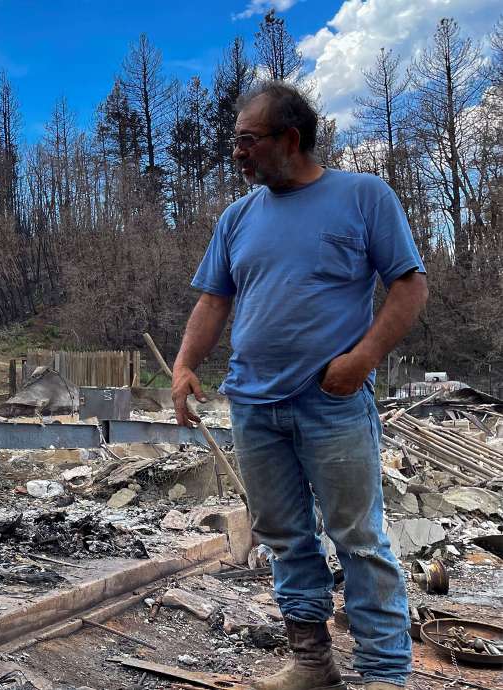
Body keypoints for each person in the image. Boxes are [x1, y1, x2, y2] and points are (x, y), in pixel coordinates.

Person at [171, 81, 427, 690]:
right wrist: (184, 365)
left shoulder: (364, 197)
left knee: (359, 540)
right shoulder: (238, 218)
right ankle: (313, 662)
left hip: (332, 404)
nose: (237, 153)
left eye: (246, 141)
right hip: (254, 406)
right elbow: (214, 300)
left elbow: (409, 286)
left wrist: (363, 358)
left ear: (290, 139)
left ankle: (387, 676)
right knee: (288, 539)